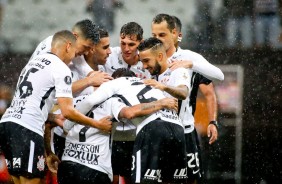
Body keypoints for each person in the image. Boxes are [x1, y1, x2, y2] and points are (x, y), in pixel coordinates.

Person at [0, 30, 112, 184]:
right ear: (68, 46)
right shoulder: (61, 68)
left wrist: (48, 150)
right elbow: (68, 111)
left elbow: (33, 103)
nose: (74, 57)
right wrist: (97, 124)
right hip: (27, 128)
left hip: (8, 124)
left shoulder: (33, 62)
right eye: (74, 52)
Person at [53, 69, 178, 184]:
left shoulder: (73, 104)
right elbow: (129, 112)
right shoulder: (113, 102)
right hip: (96, 168)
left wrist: (50, 151)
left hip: (68, 165)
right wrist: (160, 103)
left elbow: (49, 122)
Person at [150, 13, 224, 183]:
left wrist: (213, 121)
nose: (157, 39)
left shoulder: (190, 57)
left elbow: (218, 77)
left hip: (184, 131)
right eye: (154, 35)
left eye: (162, 35)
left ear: (176, 34)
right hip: (157, 131)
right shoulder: (148, 57)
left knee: (190, 179)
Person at [99, 21, 151, 184]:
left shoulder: (148, 63)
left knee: (132, 176)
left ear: (140, 43)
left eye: (131, 44)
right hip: (110, 127)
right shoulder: (109, 57)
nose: (126, 48)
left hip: (136, 127)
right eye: (123, 43)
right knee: (111, 174)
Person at [30, 19, 113, 96]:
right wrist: (90, 81)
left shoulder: (65, 44)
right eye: (85, 47)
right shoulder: (55, 50)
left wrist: (93, 75)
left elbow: (82, 66)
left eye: (90, 49)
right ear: (75, 36)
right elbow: (56, 93)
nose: (87, 52)